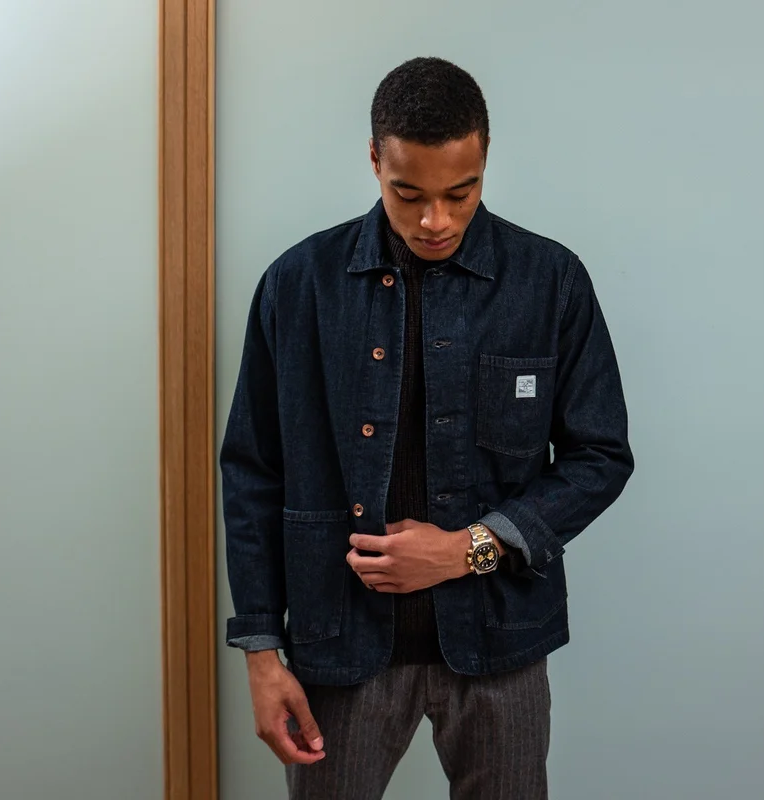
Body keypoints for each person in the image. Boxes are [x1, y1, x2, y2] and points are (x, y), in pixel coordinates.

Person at [221, 56, 634, 800]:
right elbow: (254, 469)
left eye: (460, 193)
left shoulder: (550, 280)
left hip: (500, 638)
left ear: (485, 159)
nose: (434, 220)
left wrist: (467, 549)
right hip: (337, 639)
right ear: (375, 161)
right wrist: (260, 651)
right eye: (407, 194)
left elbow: (599, 455)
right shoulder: (298, 284)